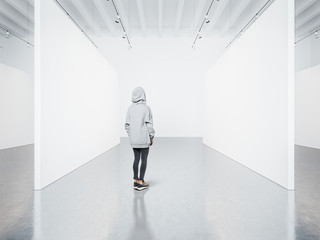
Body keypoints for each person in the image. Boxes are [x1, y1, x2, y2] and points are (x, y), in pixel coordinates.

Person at [125, 87, 155, 191]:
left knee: (136, 158)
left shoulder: (130, 108)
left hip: (134, 140)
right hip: (144, 139)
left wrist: (131, 135)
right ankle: (141, 181)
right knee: (144, 159)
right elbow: (149, 125)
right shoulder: (146, 108)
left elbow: (127, 125)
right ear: (143, 95)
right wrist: (151, 137)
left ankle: (135, 181)